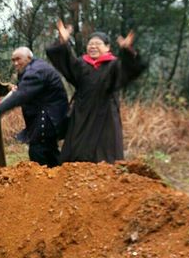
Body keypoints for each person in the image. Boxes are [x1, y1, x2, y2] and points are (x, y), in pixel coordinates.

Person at [44, 20, 146, 163]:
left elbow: (130, 70)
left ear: (108, 47)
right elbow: (66, 61)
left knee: (105, 154)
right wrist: (63, 42)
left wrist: (128, 51)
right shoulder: (81, 64)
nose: (93, 46)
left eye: (98, 44)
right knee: (76, 152)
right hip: (82, 111)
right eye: (90, 44)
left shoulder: (114, 65)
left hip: (106, 113)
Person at [0, 47, 68, 167]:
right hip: (48, 119)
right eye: (13, 60)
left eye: (18, 59)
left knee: (38, 152)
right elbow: (27, 91)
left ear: (29, 58)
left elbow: (21, 95)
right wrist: (20, 87)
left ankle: (45, 177)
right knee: (49, 151)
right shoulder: (33, 68)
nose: (15, 63)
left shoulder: (36, 71)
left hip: (48, 119)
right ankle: (59, 175)